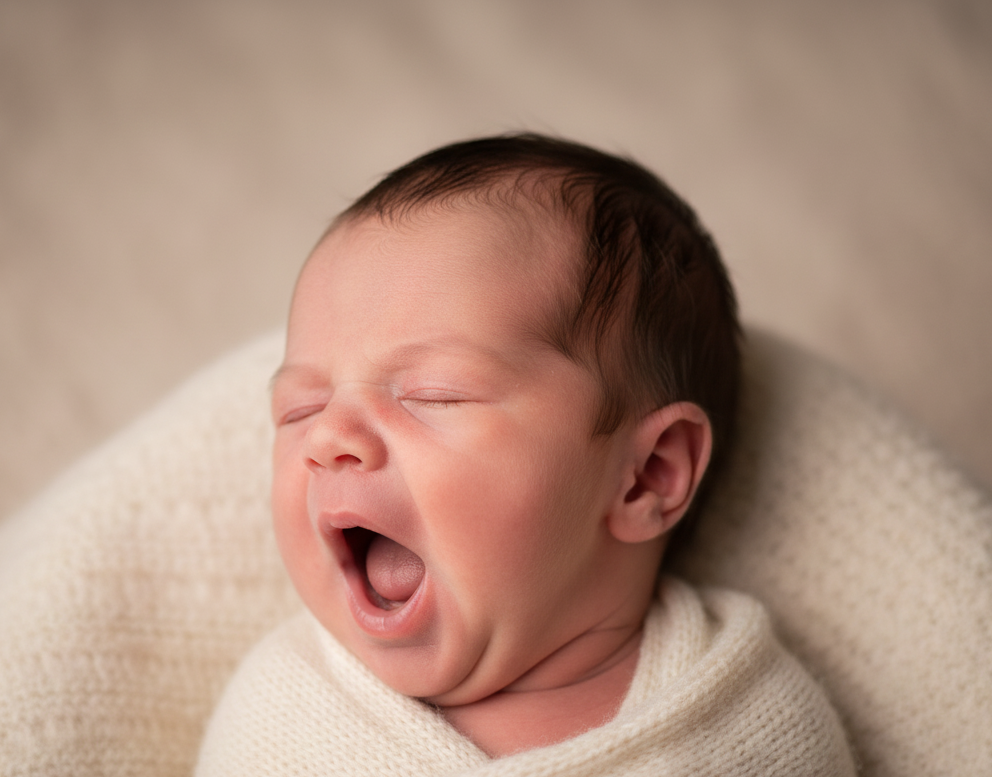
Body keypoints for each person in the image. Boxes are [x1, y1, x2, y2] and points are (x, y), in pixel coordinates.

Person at [195, 134, 855, 775]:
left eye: (435, 394)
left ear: (646, 475)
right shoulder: (285, 713)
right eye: (297, 410)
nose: (329, 437)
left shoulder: (749, 725)